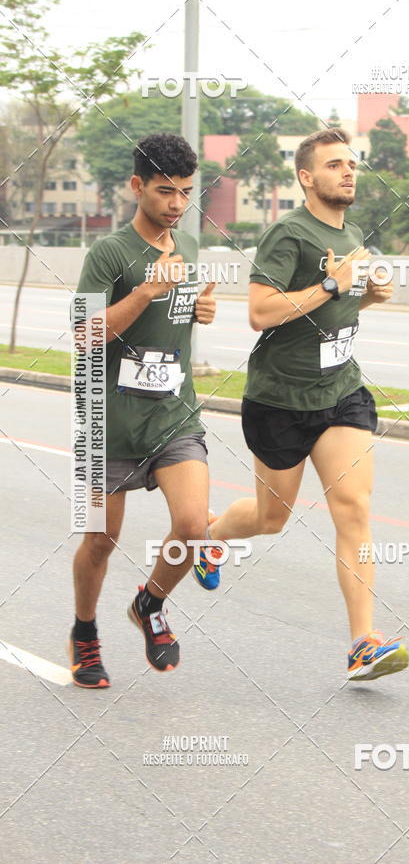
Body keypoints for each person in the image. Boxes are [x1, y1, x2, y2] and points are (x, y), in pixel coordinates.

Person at [193, 128, 409, 681]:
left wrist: (365, 296)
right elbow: (261, 313)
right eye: (335, 164)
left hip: (341, 392)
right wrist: (334, 286)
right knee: (271, 519)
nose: (348, 171)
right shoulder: (286, 233)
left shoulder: (351, 232)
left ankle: (362, 644)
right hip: (280, 401)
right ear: (306, 177)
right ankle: (211, 537)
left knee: (354, 509)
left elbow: (333, 312)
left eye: (351, 163)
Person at [69, 133, 216, 688]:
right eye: (165, 191)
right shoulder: (108, 254)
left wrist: (199, 308)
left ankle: (149, 603)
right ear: (137, 186)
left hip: (174, 415)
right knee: (100, 541)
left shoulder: (190, 247)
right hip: (107, 421)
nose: (177, 204)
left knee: (193, 524)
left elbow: (176, 316)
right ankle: (85, 632)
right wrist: (145, 292)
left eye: (186, 192)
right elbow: (84, 334)